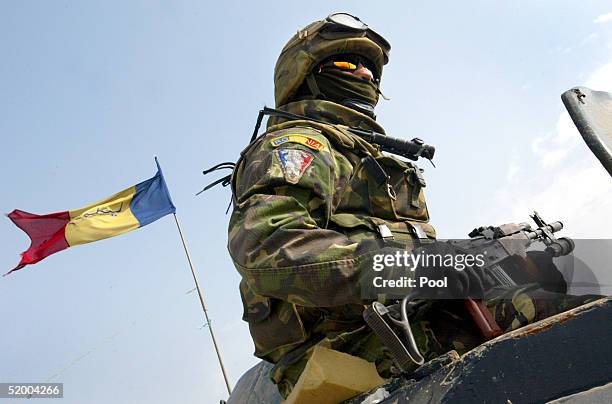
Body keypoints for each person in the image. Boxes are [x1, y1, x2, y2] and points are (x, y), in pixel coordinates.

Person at [227, 13, 598, 399]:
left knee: (573, 266)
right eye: (344, 64)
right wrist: (430, 266)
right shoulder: (298, 146)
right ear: (306, 75)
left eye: (369, 67)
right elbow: (266, 250)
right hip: (350, 343)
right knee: (561, 295)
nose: (365, 75)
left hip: (410, 317)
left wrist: (472, 257)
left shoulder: (364, 154)